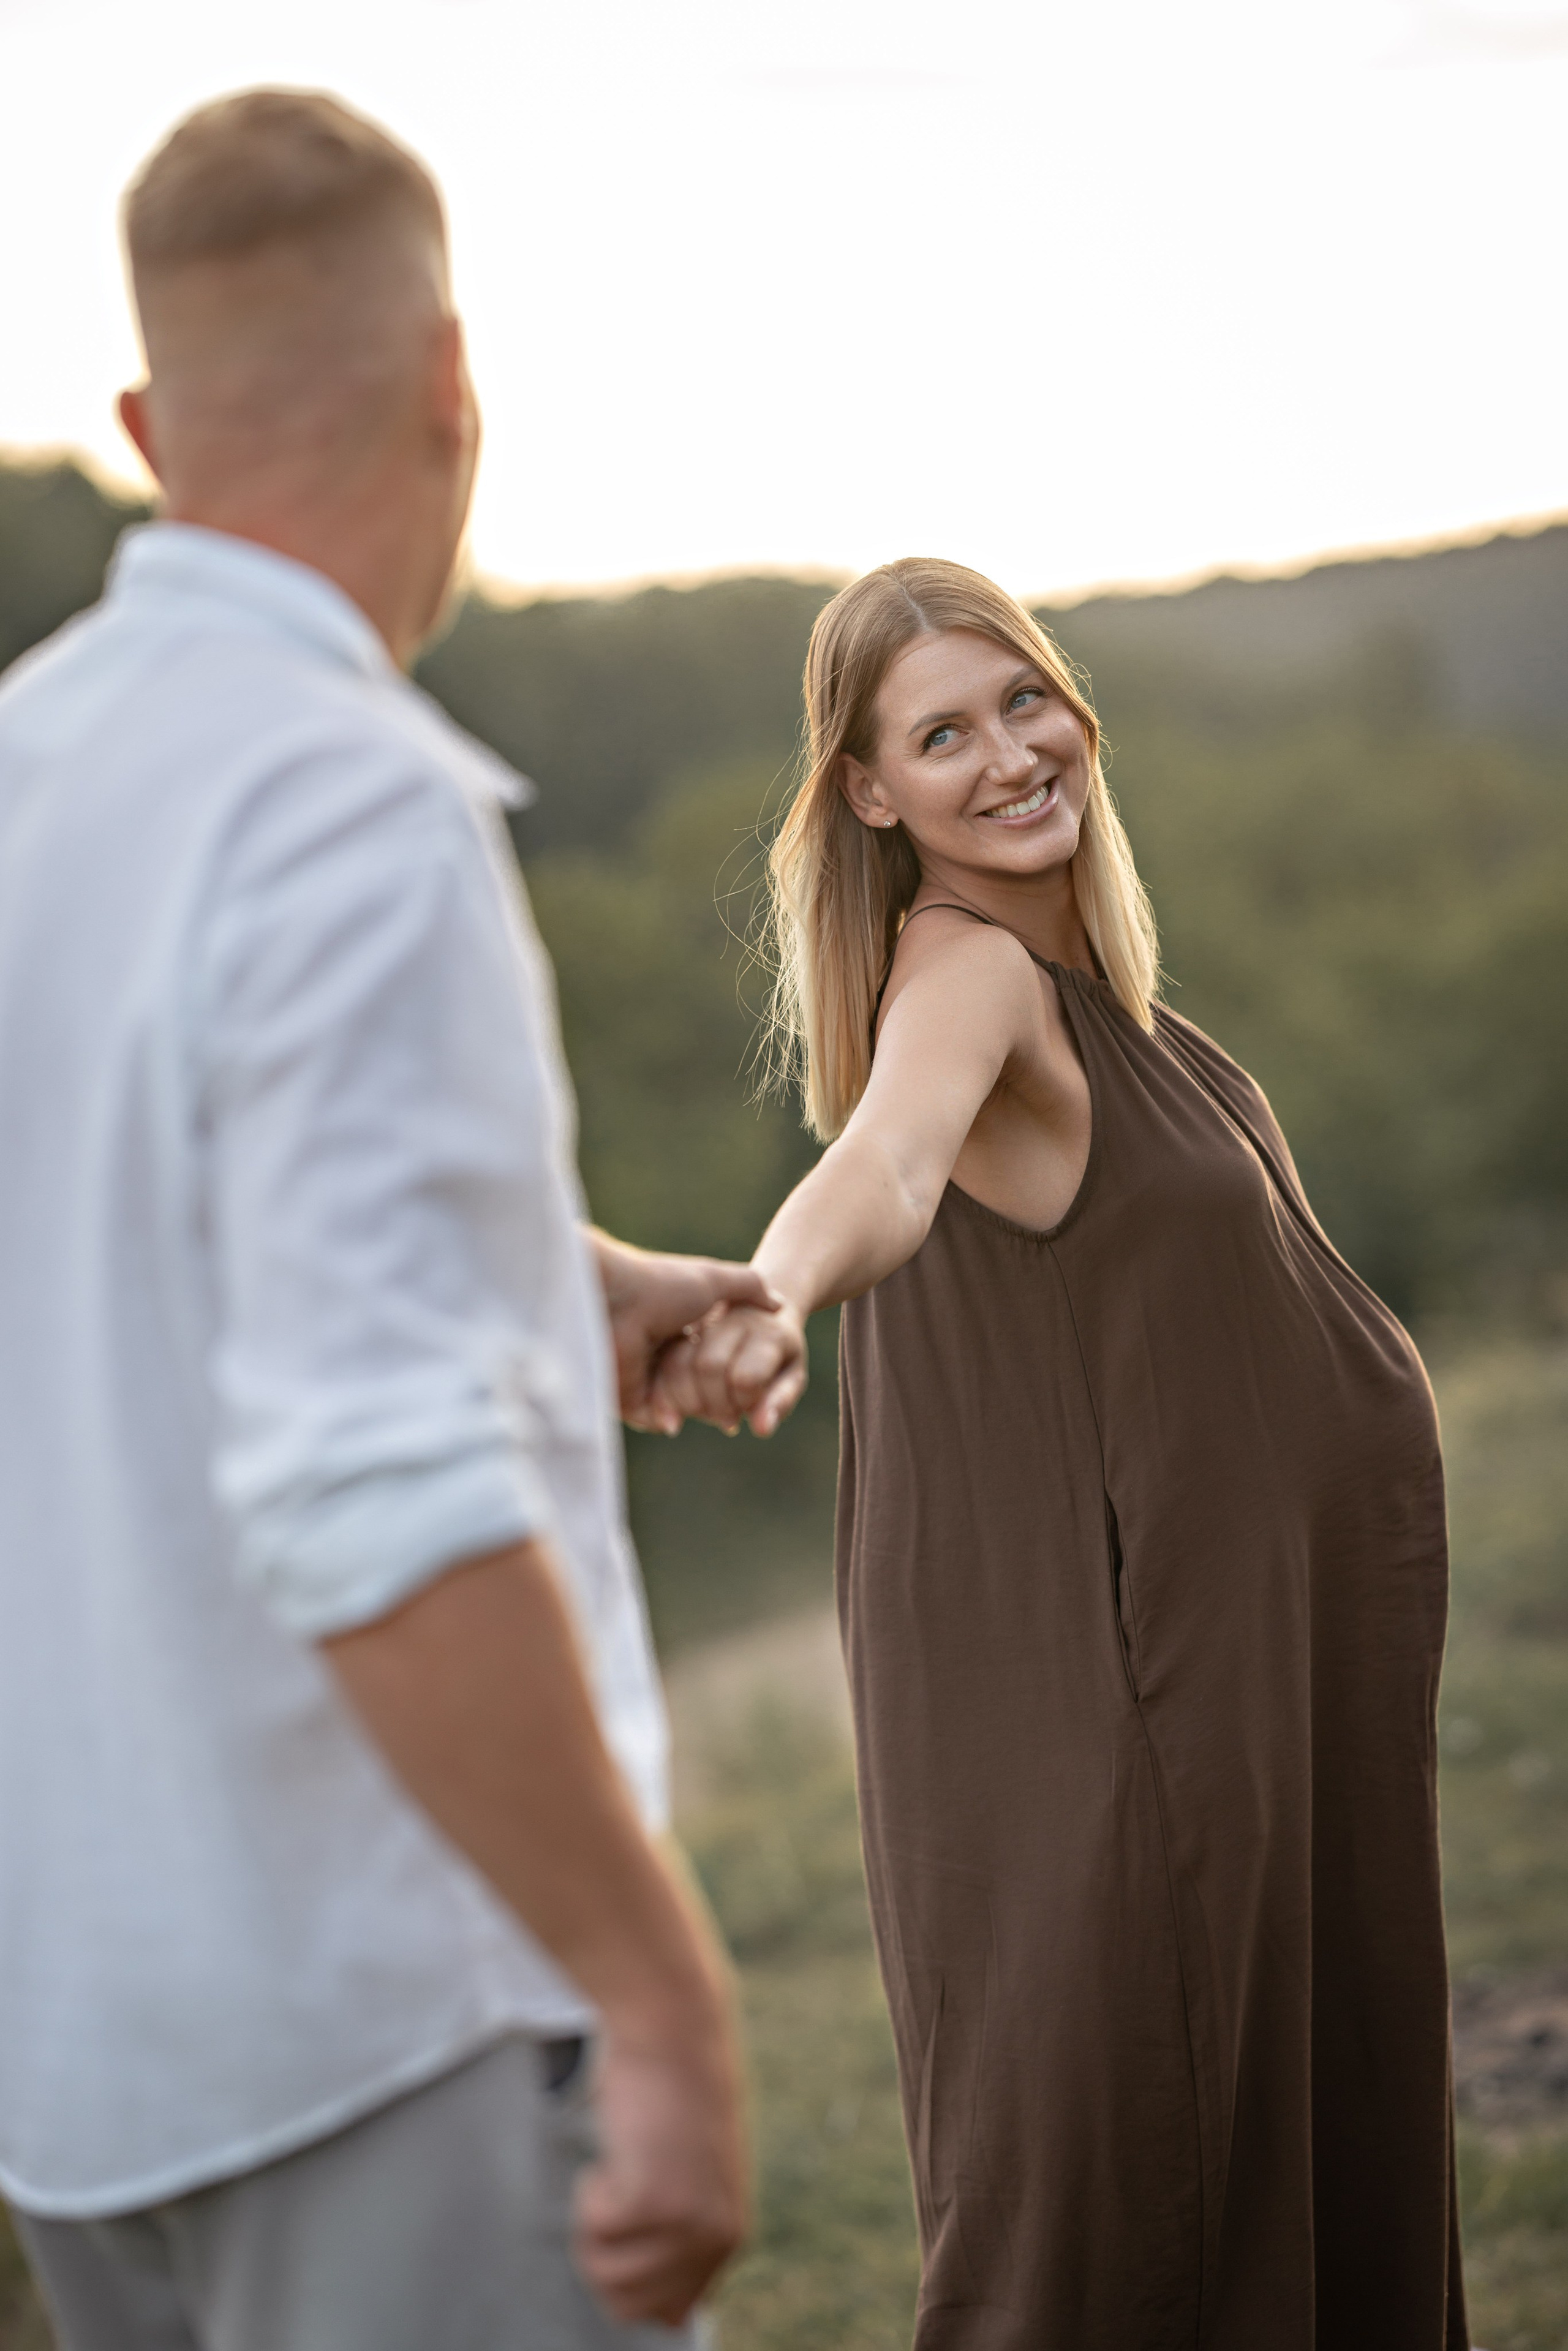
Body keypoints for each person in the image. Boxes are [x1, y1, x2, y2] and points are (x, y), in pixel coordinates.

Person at [0, 89, 793, 2351]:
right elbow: (373, 1491)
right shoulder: (354, 800)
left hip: (82, 2062)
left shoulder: (26, 768)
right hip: (381, 2017)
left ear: (150, 423)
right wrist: (655, 1994)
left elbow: (100, 1253)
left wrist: (553, 1284)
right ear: (458, 385)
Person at [665, 559, 1469, 2347]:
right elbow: (883, 1160)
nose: (1012, 753)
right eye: (941, 734)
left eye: (1023, 697)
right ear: (871, 793)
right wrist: (773, 1289)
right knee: (1142, 2179)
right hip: (1156, 1704)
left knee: (1291, 2128)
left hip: (1267, 1690)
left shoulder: (1080, 986)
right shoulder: (965, 979)